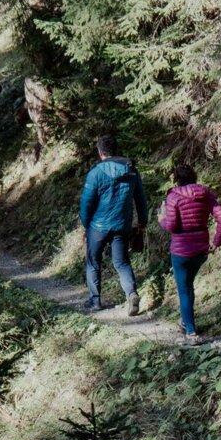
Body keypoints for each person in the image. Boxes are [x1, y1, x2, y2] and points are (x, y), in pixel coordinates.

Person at [157, 164, 221, 346]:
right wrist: (217, 242)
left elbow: (171, 226)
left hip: (181, 249)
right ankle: (186, 322)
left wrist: (161, 219)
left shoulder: (173, 197)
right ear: (195, 176)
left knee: (184, 289)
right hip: (201, 248)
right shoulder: (207, 194)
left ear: (176, 179)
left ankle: (191, 332)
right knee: (188, 287)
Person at [79, 135, 149, 315]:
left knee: (93, 262)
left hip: (98, 227)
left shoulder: (96, 173)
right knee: (122, 262)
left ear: (100, 152)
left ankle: (95, 302)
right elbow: (140, 199)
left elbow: (86, 203)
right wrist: (142, 221)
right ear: (115, 150)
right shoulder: (131, 171)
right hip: (122, 225)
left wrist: (86, 225)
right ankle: (131, 293)